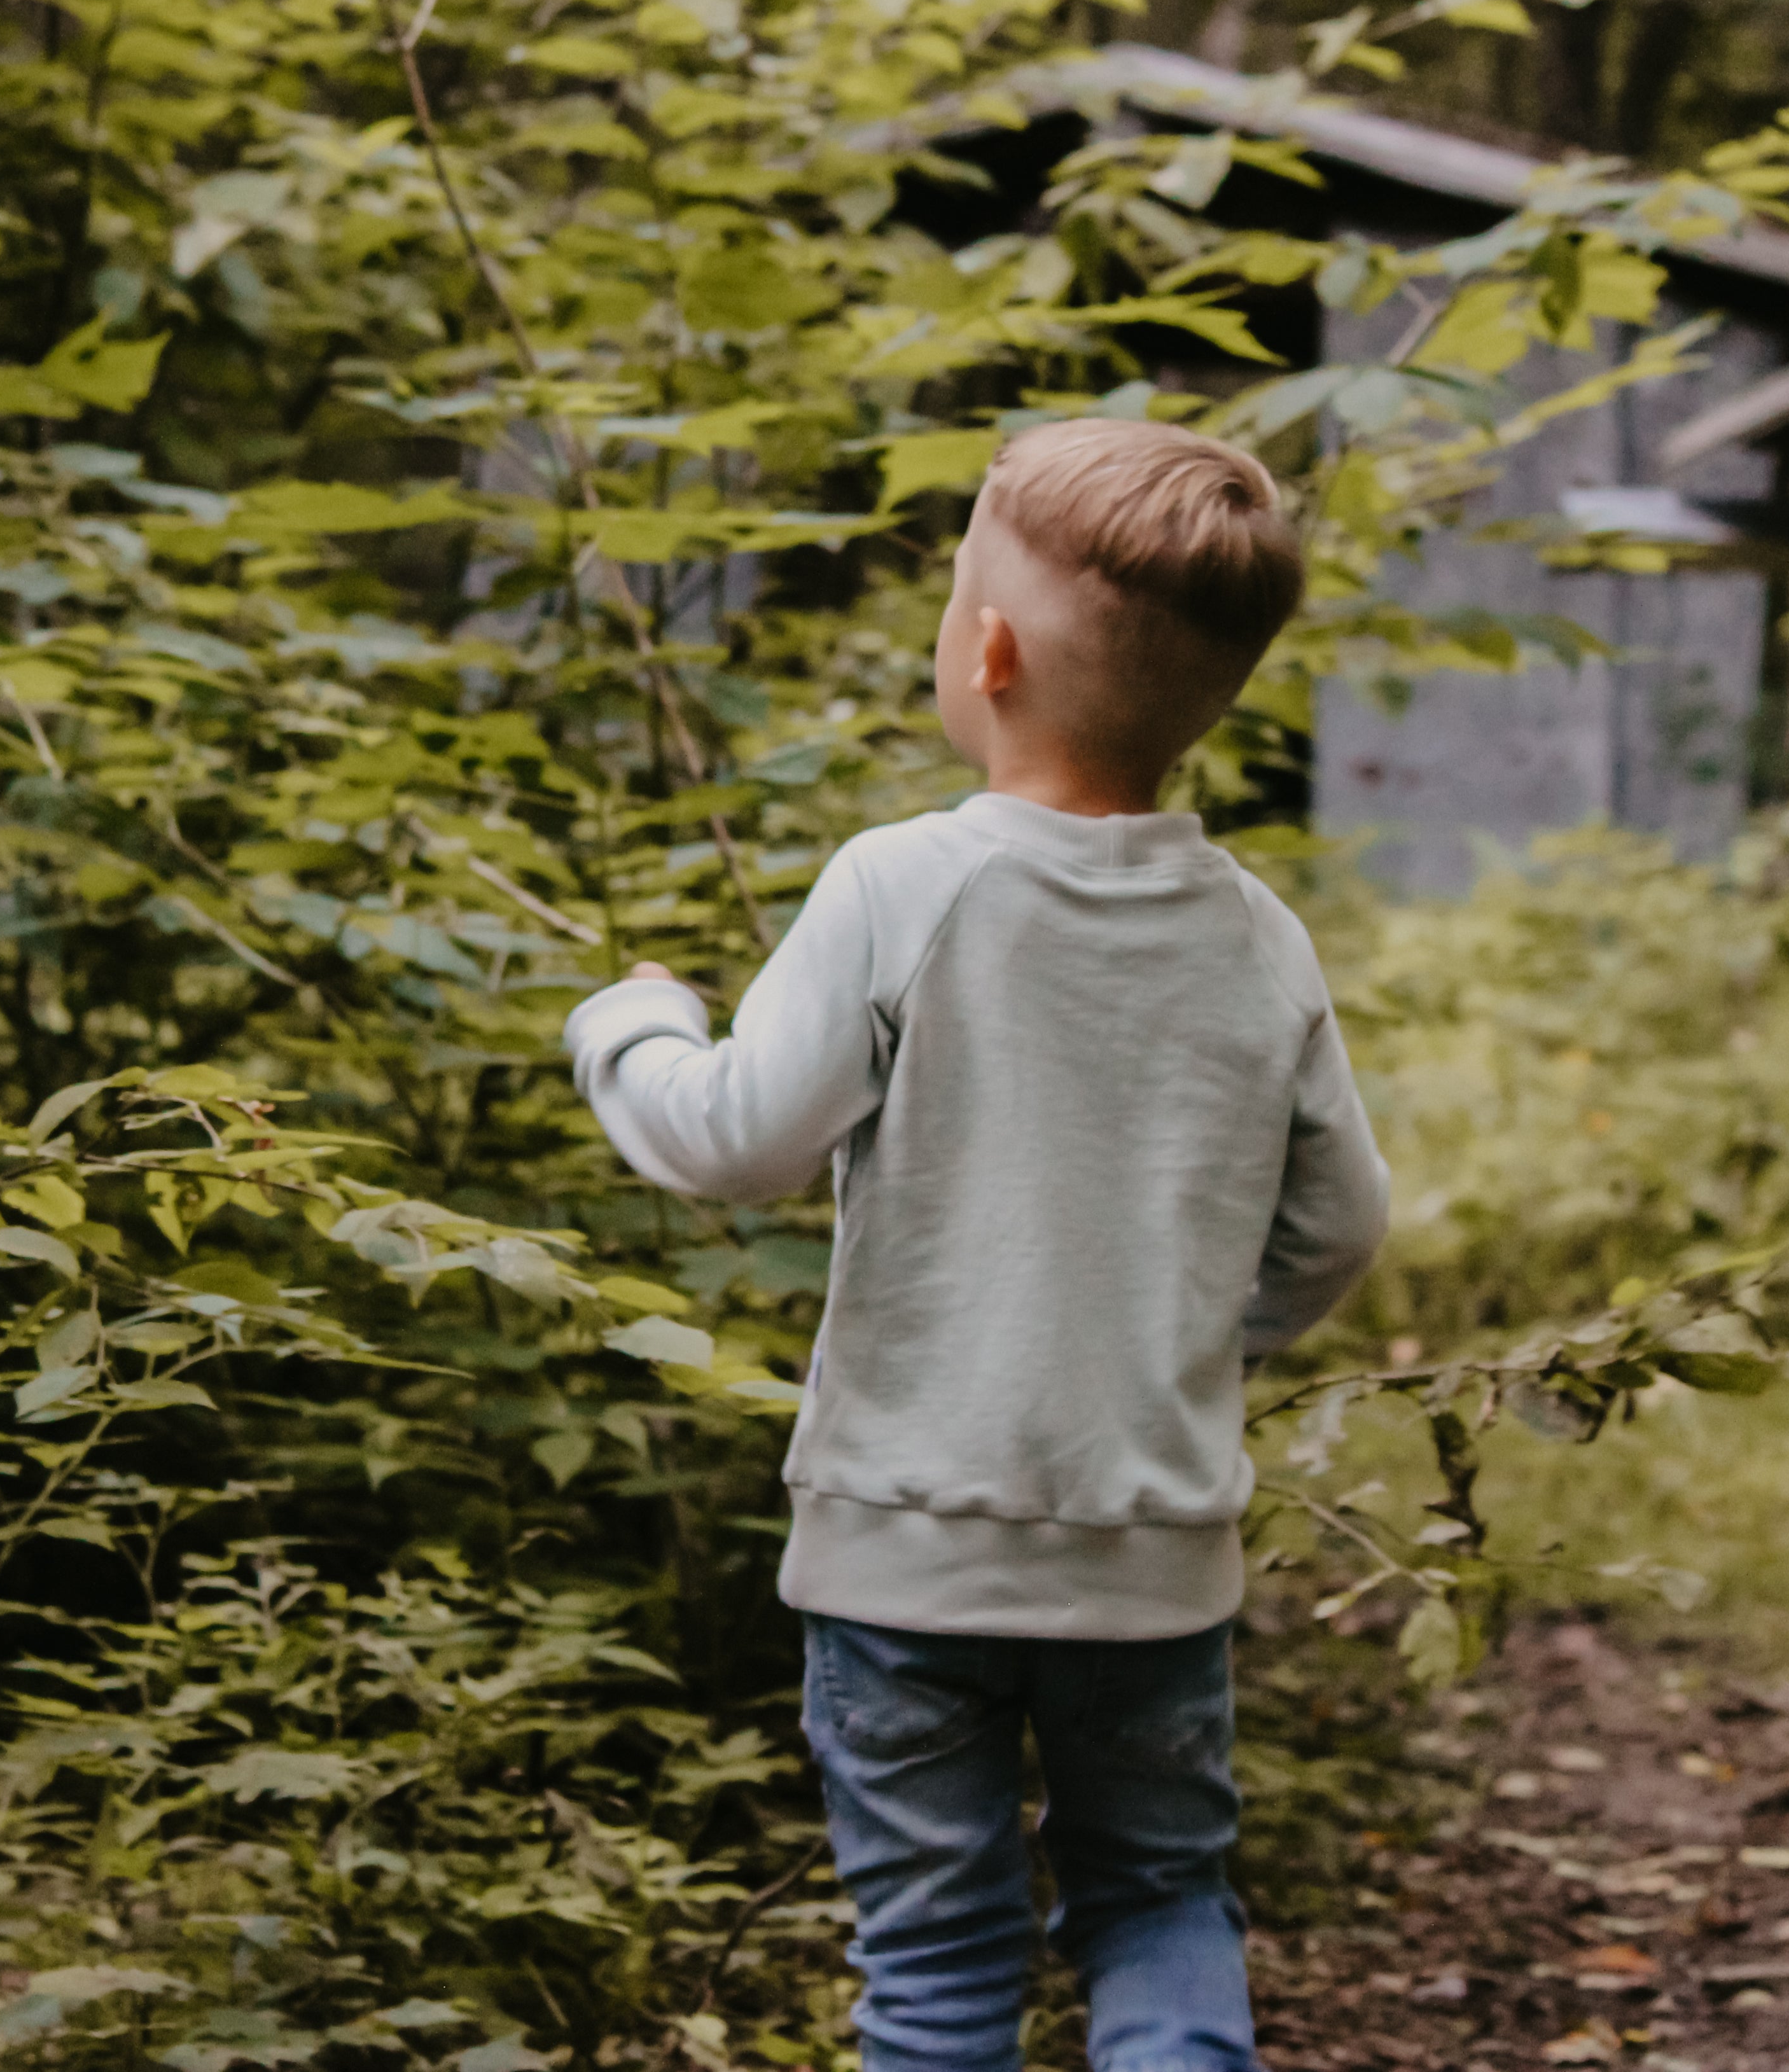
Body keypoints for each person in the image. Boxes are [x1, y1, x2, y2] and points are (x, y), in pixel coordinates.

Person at [561, 419, 1390, 2072]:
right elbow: (1342, 1223)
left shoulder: (899, 884)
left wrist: (630, 1025)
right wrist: (1191, 1355)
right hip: (1151, 1563)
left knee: (939, 1969)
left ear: (987, 649)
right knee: (1160, 1903)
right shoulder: (1259, 936)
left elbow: (731, 1140)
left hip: (904, 1561)